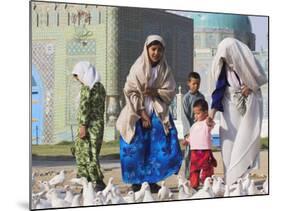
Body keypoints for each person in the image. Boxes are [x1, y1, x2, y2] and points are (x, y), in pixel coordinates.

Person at [116, 35, 182, 193]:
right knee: (135, 148)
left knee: (158, 147)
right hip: (136, 112)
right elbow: (130, 90)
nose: (156, 53)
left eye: (159, 50)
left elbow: (170, 90)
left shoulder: (164, 69)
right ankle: (136, 182)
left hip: (157, 111)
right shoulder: (138, 67)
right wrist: (143, 113)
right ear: (147, 49)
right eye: (153, 49)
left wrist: (155, 92)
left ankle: (152, 181)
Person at [208, 38, 267, 186]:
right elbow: (218, 91)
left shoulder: (246, 63)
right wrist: (212, 114)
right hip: (230, 109)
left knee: (245, 139)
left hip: (247, 109)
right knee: (229, 143)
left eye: (228, 55)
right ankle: (231, 178)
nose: (226, 58)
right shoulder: (223, 67)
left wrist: (251, 87)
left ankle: (244, 178)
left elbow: (259, 78)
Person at [72, 61, 106, 192]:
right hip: (98, 126)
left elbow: (84, 108)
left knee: (85, 154)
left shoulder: (87, 88)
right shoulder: (100, 87)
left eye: (78, 76)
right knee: (92, 153)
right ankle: (87, 183)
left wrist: (82, 125)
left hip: (88, 126)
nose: (79, 80)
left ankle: (97, 182)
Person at [184, 99, 217, 189]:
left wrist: (209, 119)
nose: (196, 115)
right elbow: (192, 136)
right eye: (195, 113)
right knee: (194, 168)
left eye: (198, 113)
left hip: (205, 150)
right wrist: (187, 140)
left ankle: (207, 182)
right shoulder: (194, 125)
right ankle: (194, 184)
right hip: (194, 151)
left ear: (206, 112)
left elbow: (211, 124)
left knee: (206, 167)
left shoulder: (207, 123)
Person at [182, 72, 205, 179]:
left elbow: (204, 113)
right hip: (190, 133)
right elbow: (184, 116)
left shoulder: (201, 97)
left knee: (200, 154)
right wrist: (187, 133)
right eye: (194, 83)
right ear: (188, 83)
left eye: (198, 84)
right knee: (188, 155)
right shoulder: (186, 98)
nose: (196, 86)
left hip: (200, 131)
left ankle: (197, 176)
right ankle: (187, 176)